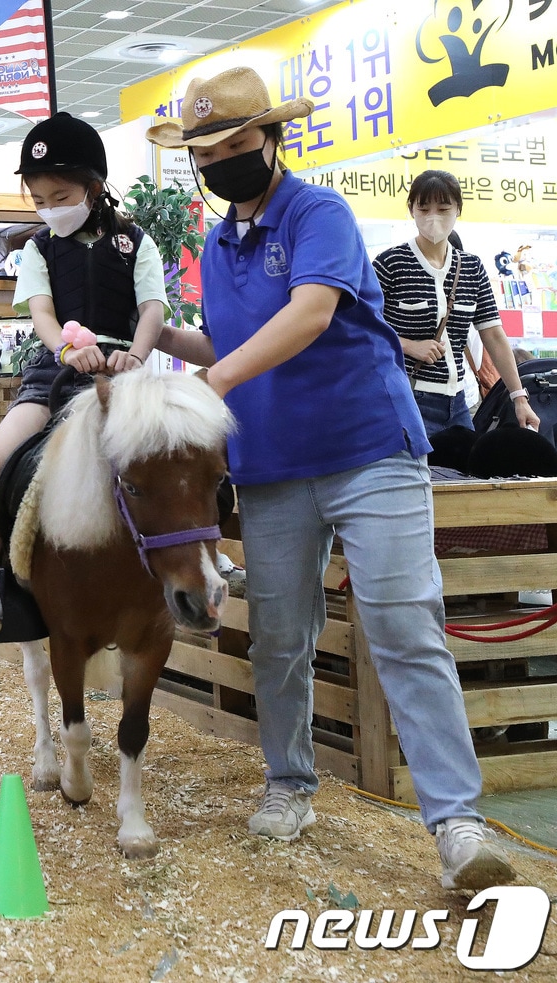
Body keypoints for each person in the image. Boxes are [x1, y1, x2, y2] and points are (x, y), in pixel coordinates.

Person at [145, 66, 513, 891]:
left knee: (403, 622)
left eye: (240, 143)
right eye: (210, 151)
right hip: (272, 468)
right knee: (279, 636)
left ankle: (456, 823)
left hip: (371, 449)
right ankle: (289, 783)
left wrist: (211, 383)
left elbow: (309, 314)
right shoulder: (217, 241)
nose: (225, 161)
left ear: (273, 138)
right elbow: (228, 340)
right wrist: (150, 336)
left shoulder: (319, 214)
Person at [0, 112, 169, 643]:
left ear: (93, 187)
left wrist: (137, 356)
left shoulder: (136, 241)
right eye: (39, 200)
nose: (49, 209)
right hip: (53, 375)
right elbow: (42, 314)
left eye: (60, 196)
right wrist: (66, 349)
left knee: (179, 460)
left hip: (125, 373)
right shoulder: (37, 248)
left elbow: (152, 309)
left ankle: (206, 561)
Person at [372, 169, 537, 436]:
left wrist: (519, 397)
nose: (433, 218)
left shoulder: (471, 267)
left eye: (443, 208)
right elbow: (360, 324)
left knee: (462, 473)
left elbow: (493, 334)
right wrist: (408, 345)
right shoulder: (390, 263)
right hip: (406, 397)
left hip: (460, 401)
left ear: (458, 210)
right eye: (423, 209)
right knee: (417, 476)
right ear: (411, 210)